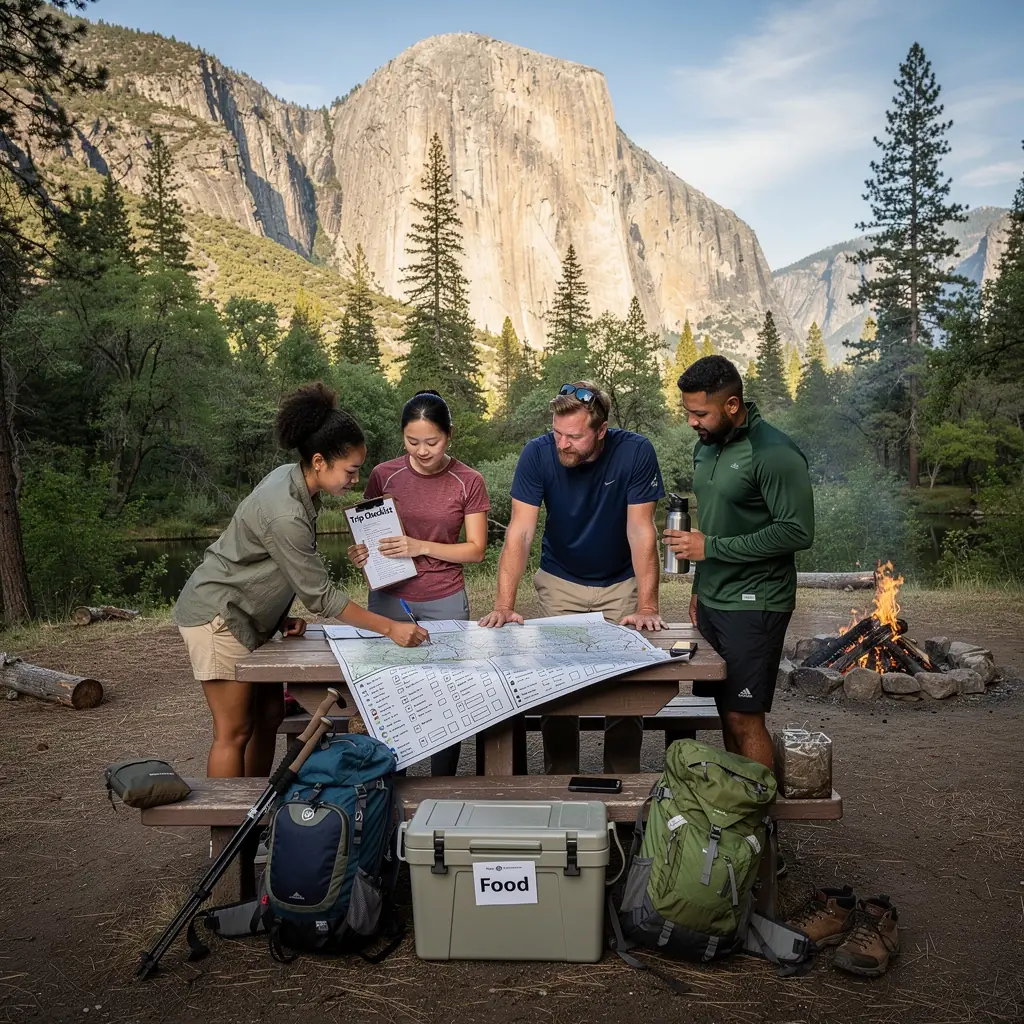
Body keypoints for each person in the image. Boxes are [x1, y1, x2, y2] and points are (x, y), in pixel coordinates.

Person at [174, 383, 428, 779]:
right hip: (218, 616)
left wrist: (278, 618)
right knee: (234, 731)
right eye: (351, 470)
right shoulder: (286, 512)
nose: (355, 479)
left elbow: (272, 567)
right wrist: (390, 628)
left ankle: (255, 813)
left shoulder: (294, 482)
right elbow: (320, 595)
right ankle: (224, 837)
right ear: (319, 461)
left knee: (270, 715)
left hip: (252, 620)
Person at [479, 381, 666, 775]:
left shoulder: (635, 452)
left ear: (601, 430)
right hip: (560, 581)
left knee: (625, 684)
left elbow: (641, 530)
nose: (562, 443)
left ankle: (623, 781)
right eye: (557, 432)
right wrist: (503, 605)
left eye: (574, 436)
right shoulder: (537, 454)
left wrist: (648, 605)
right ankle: (561, 780)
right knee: (557, 683)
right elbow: (520, 532)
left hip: (621, 583)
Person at [663, 355, 814, 770]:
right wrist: (699, 587)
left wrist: (709, 549)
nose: (692, 422)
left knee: (744, 716)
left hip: (757, 601)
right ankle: (744, 811)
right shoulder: (706, 448)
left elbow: (797, 532)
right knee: (725, 713)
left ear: (732, 406)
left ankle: (760, 825)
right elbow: (713, 523)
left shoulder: (774, 452)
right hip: (715, 599)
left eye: (700, 413)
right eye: (688, 412)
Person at [347, 390, 490, 775]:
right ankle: (390, 781)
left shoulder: (468, 480)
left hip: (445, 598)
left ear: (450, 436)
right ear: (402, 437)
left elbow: (476, 550)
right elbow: (369, 535)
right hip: (389, 598)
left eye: (432, 441)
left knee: (447, 694)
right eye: (413, 442)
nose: (423, 450)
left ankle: (441, 784)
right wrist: (362, 556)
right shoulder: (383, 475)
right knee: (388, 693)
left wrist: (419, 546)